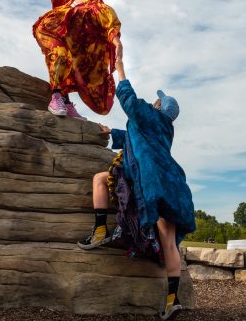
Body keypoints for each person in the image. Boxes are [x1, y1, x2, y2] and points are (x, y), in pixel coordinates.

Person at [77, 55, 196, 320]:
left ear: (158, 106)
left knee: (99, 179)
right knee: (169, 243)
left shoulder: (149, 116)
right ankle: (172, 300)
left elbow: (128, 100)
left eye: (157, 101)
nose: (153, 102)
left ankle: (99, 231)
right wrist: (112, 133)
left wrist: (118, 64)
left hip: (154, 184)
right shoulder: (164, 128)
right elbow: (136, 139)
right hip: (176, 187)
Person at [33, 0, 131, 119]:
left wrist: (117, 42)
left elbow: (111, 25)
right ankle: (56, 96)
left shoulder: (101, 8)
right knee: (61, 55)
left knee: (75, 60)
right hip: (49, 27)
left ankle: (65, 101)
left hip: (64, 36)